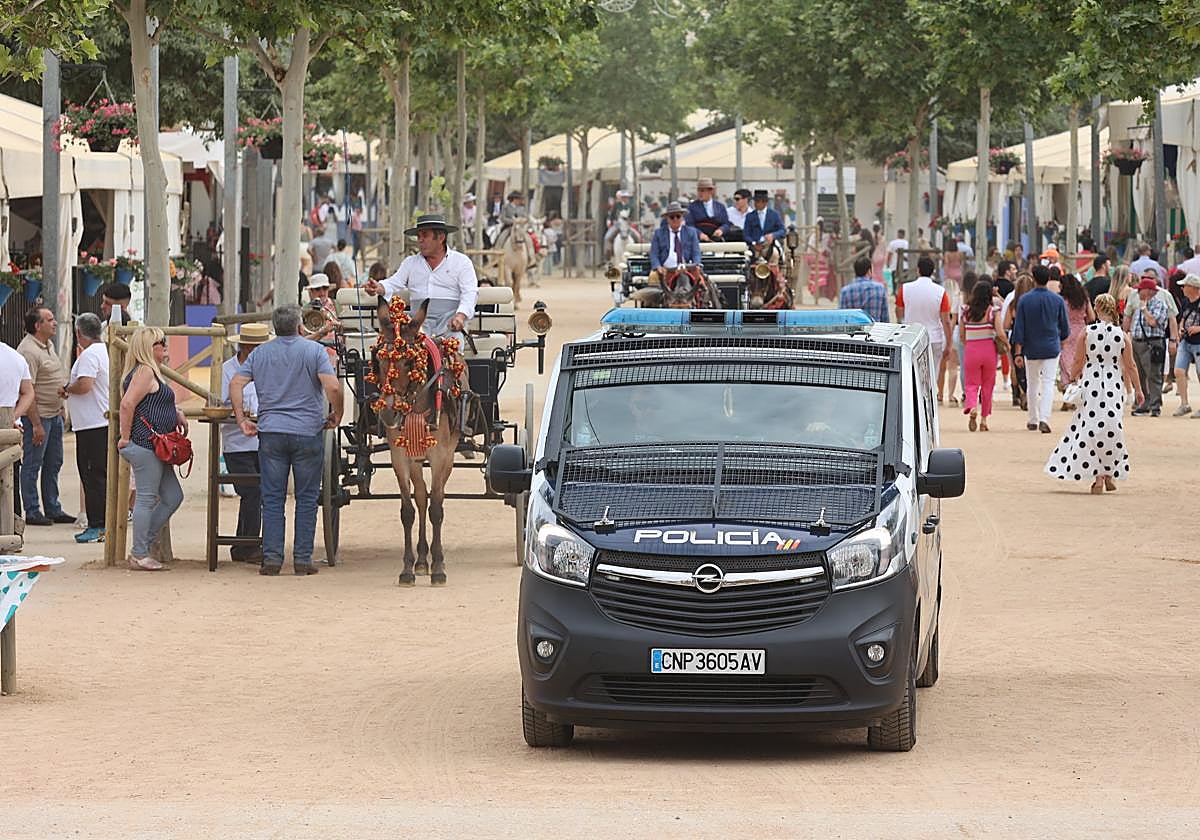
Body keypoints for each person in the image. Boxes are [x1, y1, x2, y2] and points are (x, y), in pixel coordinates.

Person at [230, 305, 343, 576]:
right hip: (307, 432)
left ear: (275, 327)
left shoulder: (260, 353)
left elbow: (235, 383)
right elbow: (332, 386)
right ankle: (302, 559)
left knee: (272, 498)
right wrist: (337, 413)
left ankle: (272, 559)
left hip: (271, 433)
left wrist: (241, 419)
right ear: (299, 326)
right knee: (306, 497)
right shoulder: (314, 351)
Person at [1044, 294, 1142, 493]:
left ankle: (1098, 478)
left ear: (1097, 309)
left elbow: (1078, 361)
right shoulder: (1122, 335)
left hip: (1092, 384)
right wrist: (1138, 390)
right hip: (1113, 385)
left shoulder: (1087, 332)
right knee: (1112, 427)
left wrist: (1072, 378)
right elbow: (1130, 366)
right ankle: (1109, 473)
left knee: (1091, 428)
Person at [117, 328, 187, 571]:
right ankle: (139, 553)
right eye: (159, 342)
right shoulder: (145, 371)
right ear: (148, 347)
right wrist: (125, 438)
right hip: (146, 445)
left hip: (156, 447)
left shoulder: (151, 371)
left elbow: (152, 403)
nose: (165, 345)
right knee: (146, 499)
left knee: (173, 496)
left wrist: (175, 412)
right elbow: (127, 404)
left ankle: (142, 546)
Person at [363, 214, 478, 339]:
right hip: (417, 325)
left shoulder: (462, 262)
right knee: (406, 345)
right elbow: (393, 282)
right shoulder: (410, 263)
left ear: (441, 237)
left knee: (455, 344)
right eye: (418, 236)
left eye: (425, 235)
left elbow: (470, 293)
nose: (420, 240)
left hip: (450, 324)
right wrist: (378, 287)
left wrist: (460, 316)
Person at [17, 306, 72, 526]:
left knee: (54, 462)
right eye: (49, 320)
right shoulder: (28, 351)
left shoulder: (49, 345)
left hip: (54, 415)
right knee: (32, 464)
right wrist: (36, 424)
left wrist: (61, 408)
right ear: (37, 325)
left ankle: (52, 507)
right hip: (38, 418)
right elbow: (27, 390)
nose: (55, 322)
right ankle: (32, 510)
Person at [222, 324, 271, 563]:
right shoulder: (226, 370)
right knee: (252, 492)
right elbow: (220, 403)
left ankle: (243, 545)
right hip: (237, 444)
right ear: (247, 348)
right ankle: (248, 545)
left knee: (257, 493)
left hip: (263, 442)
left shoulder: (267, 368)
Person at [62, 313, 108, 543]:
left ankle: (98, 525)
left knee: (92, 476)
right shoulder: (103, 351)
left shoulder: (89, 355)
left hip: (93, 425)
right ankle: (100, 523)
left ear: (79, 333)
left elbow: (85, 385)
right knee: (96, 475)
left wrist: (67, 389)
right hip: (95, 423)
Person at [1011, 265, 1070, 433]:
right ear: (1048, 279)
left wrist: (1018, 352)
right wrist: (1062, 341)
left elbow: (1019, 328)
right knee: (1048, 383)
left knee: (1032, 383)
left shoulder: (1024, 300)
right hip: (1051, 346)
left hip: (1031, 347)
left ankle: (1032, 418)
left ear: (1034, 279)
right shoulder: (1057, 300)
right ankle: (1044, 418)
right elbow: (1064, 327)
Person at [895, 256, 952, 396]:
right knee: (931, 375)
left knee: (912, 374)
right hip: (934, 338)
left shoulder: (905, 289)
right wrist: (949, 343)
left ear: (918, 270)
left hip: (910, 338)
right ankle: (929, 398)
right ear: (933, 271)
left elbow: (899, 313)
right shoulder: (941, 292)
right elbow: (946, 321)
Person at [959, 279, 1003, 432]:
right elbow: (1000, 332)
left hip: (971, 349)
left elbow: (962, 335)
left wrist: (969, 344)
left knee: (971, 384)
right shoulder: (993, 311)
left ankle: (972, 407)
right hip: (989, 350)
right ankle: (984, 420)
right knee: (987, 385)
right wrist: (1007, 344)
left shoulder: (965, 311)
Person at [1124, 277, 1170, 416]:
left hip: (1152, 343)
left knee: (1153, 375)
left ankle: (1155, 406)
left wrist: (1144, 309)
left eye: (1140, 289)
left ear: (1149, 291)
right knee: (1139, 375)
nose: (1138, 292)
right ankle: (1144, 403)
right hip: (1137, 342)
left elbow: (1153, 322)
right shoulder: (1140, 304)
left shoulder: (1159, 305)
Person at [1058, 272, 1096, 397]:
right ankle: (1080, 390)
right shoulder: (1083, 298)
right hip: (1081, 331)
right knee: (1081, 360)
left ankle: (1068, 393)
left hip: (1065, 333)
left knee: (1065, 363)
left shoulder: (1062, 300)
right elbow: (1092, 317)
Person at [647, 202, 701, 285]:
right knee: (653, 277)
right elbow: (654, 254)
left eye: (678, 216)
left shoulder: (691, 232)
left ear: (682, 217)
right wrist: (658, 267)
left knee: (700, 281)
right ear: (667, 219)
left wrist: (696, 264)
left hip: (686, 268)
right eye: (672, 217)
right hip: (666, 270)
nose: (675, 219)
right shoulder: (659, 233)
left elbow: (696, 253)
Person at [1003, 271, 1034, 409]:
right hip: (1032, 337)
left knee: (1018, 368)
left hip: (1016, 337)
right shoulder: (1034, 303)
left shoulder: (1013, 304)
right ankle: (1030, 393)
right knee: (1031, 367)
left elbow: (1006, 325)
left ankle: (1021, 392)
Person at [1171, 273, 1200, 417]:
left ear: (1193, 287)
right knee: (1178, 371)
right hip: (1186, 340)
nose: (1182, 289)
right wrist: (1181, 328)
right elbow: (1182, 317)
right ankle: (1184, 404)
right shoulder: (1185, 302)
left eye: (1185, 286)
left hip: (1198, 342)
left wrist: (1198, 328)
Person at [839, 256, 890, 323]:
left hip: (853, 329)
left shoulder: (845, 291)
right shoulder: (880, 289)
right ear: (869, 271)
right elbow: (885, 318)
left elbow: (842, 318)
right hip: (875, 328)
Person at [742, 189, 786, 259]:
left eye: (758, 201)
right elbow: (746, 234)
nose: (755, 204)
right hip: (754, 247)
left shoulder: (774, 215)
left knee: (774, 254)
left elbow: (783, 230)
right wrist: (753, 243)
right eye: (755, 201)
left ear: (765, 202)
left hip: (770, 246)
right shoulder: (750, 216)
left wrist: (772, 235)